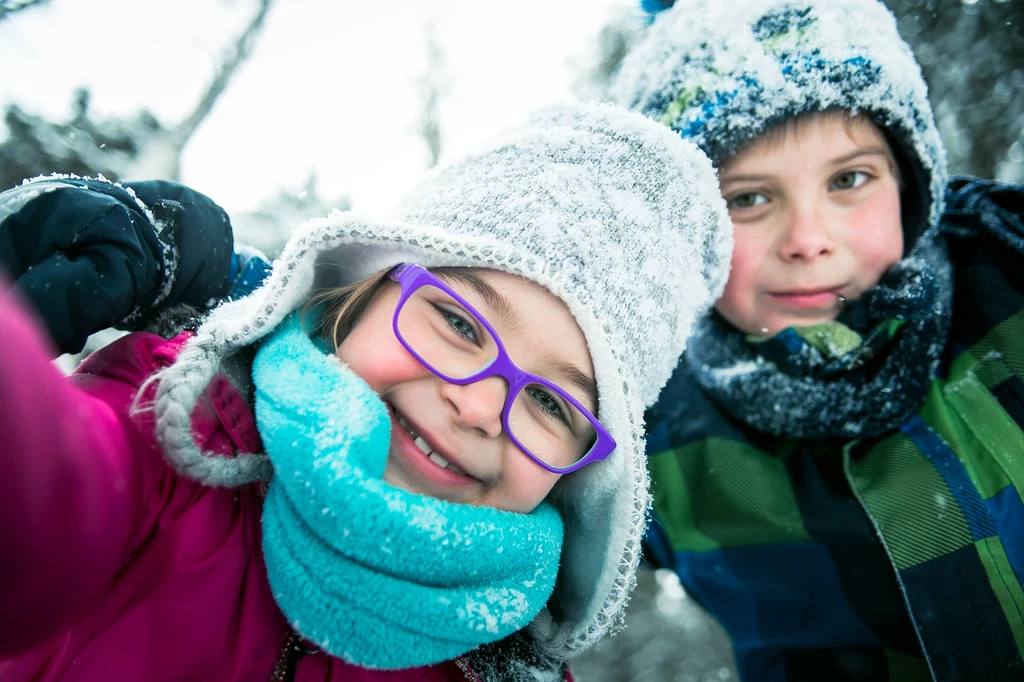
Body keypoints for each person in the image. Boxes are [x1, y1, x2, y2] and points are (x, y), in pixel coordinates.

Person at [0, 102, 732, 682]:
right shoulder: (171, 433)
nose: (478, 408)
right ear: (354, 298)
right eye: (456, 321)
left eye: (551, 403)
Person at [611, 0, 1024, 680]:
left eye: (848, 179)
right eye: (748, 198)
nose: (808, 239)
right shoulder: (654, 436)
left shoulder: (1007, 282)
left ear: (909, 182)